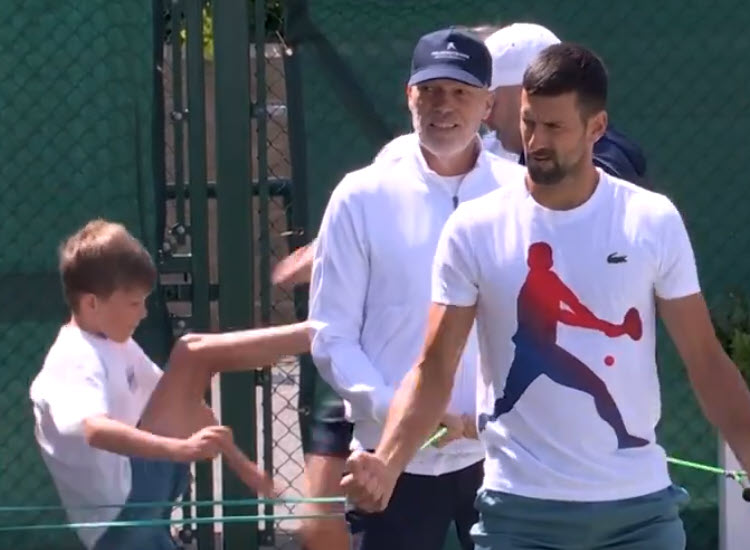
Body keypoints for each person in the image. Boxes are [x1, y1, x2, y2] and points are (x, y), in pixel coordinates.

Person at [342, 43, 750, 550]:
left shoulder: (652, 220)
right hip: (518, 516)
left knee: (590, 392)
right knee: (539, 392)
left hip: (640, 515)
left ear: (596, 128)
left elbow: (706, 363)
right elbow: (433, 369)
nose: (535, 141)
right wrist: (387, 462)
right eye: (529, 123)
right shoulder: (475, 229)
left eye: (554, 128)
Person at [308, 27, 524, 550]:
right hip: (388, 462)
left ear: (488, 105)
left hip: (497, 460)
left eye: (460, 92)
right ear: (409, 96)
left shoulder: (519, 194)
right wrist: (395, 411)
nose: (442, 106)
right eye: (429, 91)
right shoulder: (360, 195)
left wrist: (481, 420)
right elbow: (330, 334)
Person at [30, 219, 311, 550]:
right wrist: (180, 449)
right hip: (121, 514)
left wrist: (242, 465)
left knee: (191, 358)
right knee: (191, 353)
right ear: (92, 303)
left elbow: (183, 402)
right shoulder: (74, 356)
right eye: (134, 303)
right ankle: (319, 333)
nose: (144, 313)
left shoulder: (118, 345)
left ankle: (317, 334)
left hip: (139, 507)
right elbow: (96, 431)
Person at [482, 22, 650, 187]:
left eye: (491, 101)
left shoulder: (602, 171)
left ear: (531, 91)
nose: (484, 116)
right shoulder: (505, 155)